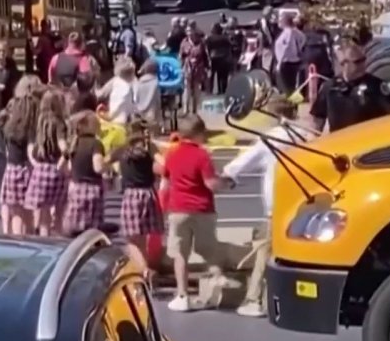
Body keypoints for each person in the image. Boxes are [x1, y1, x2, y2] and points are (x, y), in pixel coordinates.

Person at [219, 94, 301, 317]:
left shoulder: (270, 138)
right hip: (303, 202)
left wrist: (226, 178)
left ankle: (254, 299)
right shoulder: (303, 135)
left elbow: (242, 163)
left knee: (265, 253)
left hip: (278, 204)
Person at [161, 114, 231, 312]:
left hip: (178, 209)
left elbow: (165, 181)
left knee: (180, 254)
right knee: (209, 248)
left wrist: (165, 205)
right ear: (199, 134)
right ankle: (218, 277)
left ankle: (182, 295)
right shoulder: (202, 155)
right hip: (202, 209)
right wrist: (225, 183)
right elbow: (211, 184)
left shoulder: (171, 154)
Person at [109, 119, 164, 278]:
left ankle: (145, 271)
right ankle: (144, 271)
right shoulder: (149, 148)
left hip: (131, 195)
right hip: (149, 193)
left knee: (132, 239)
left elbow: (103, 165)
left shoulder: (122, 150)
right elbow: (164, 164)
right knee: (143, 237)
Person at [310, 40, 390, 133]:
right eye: (357, 62)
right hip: (341, 144)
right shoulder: (329, 87)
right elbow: (317, 122)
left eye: (363, 59)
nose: (363, 64)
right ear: (343, 64)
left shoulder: (376, 85)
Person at [0, 79, 41, 234]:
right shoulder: (32, 125)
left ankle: (17, 244)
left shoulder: (10, 125)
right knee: (28, 214)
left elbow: (7, 149)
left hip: (12, 169)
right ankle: (30, 241)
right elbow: (31, 151)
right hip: (27, 170)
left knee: (16, 214)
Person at [25, 91, 69, 236]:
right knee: (59, 211)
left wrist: (34, 161)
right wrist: (65, 159)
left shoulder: (39, 121)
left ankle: (45, 241)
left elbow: (32, 145)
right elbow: (64, 147)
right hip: (56, 169)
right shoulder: (59, 123)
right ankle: (59, 241)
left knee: (43, 213)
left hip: (41, 169)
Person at [64, 111, 108, 235]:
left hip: (75, 188)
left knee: (75, 227)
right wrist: (108, 165)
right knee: (91, 231)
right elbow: (98, 168)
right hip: (92, 190)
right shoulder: (96, 144)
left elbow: (61, 165)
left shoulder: (73, 143)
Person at [96, 57, 136, 125]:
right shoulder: (133, 81)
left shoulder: (116, 81)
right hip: (126, 118)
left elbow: (100, 94)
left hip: (117, 119)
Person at [274, 10, 305, 95]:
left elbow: (286, 47)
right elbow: (303, 38)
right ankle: (292, 102)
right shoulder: (295, 32)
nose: (279, 22)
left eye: (280, 20)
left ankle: (291, 103)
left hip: (287, 62)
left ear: (285, 21)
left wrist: (279, 62)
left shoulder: (288, 32)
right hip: (294, 61)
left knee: (287, 86)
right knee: (291, 85)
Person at [180, 26, 209, 115]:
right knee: (187, 89)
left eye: (191, 31)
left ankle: (195, 109)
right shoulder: (184, 42)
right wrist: (181, 66)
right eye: (188, 31)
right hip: (187, 67)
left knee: (196, 88)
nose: (190, 33)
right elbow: (181, 55)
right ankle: (185, 109)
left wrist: (207, 67)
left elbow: (205, 55)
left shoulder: (201, 43)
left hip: (198, 68)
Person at [131, 58, 161, 128]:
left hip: (138, 113)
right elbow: (157, 101)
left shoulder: (139, 82)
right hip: (151, 115)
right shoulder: (155, 83)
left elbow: (135, 98)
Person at [205, 22, 234, 95]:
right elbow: (230, 47)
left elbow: (207, 48)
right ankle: (223, 91)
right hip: (224, 58)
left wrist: (208, 57)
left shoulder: (209, 38)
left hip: (213, 58)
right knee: (222, 76)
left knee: (211, 75)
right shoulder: (225, 38)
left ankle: (210, 91)